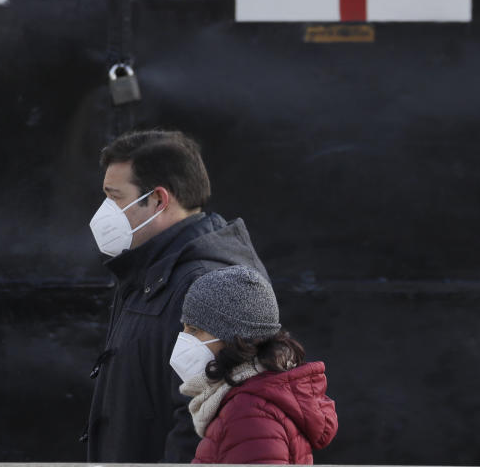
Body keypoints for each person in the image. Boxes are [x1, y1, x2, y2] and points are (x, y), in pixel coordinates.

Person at [84, 129, 271, 463]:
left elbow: (201, 420)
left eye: (115, 196)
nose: (105, 210)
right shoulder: (149, 271)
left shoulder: (209, 283)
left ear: (158, 199)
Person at [171, 265, 338, 464]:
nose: (184, 339)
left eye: (194, 329)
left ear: (234, 337)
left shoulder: (249, 414)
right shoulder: (250, 401)